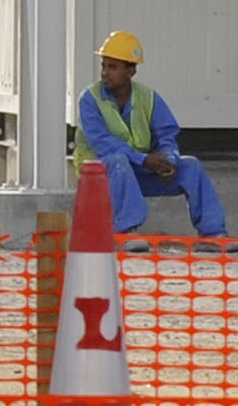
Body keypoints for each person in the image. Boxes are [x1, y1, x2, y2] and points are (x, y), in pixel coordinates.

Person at [73, 30, 229, 248]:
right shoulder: (89, 99)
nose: (105, 73)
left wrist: (169, 161)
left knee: (190, 166)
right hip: (98, 174)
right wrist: (144, 160)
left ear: (131, 71)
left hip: (136, 170)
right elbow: (102, 144)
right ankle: (124, 232)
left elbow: (167, 135)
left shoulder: (148, 97)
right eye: (104, 65)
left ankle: (214, 234)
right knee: (118, 160)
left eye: (113, 67)